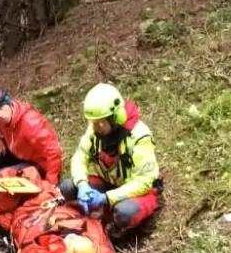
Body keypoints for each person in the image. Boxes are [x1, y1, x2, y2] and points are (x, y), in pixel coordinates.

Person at [60, 83, 163, 236]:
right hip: (110, 182)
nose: (97, 127)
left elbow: (144, 181)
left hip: (139, 191)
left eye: (101, 122)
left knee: (125, 212)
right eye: (94, 122)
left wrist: (106, 198)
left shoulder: (140, 136)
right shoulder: (94, 130)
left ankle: (119, 229)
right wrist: (82, 185)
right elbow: (80, 157)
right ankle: (102, 211)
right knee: (68, 186)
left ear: (116, 117)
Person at [0, 84, 63, 184]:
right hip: (21, 156)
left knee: (2, 181)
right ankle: (7, 172)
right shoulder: (2, 118)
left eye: (1, 108)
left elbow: (53, 152)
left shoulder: (30, 123)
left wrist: (51, 182)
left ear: (8, 102)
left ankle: (15, 177)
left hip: (39, 165)